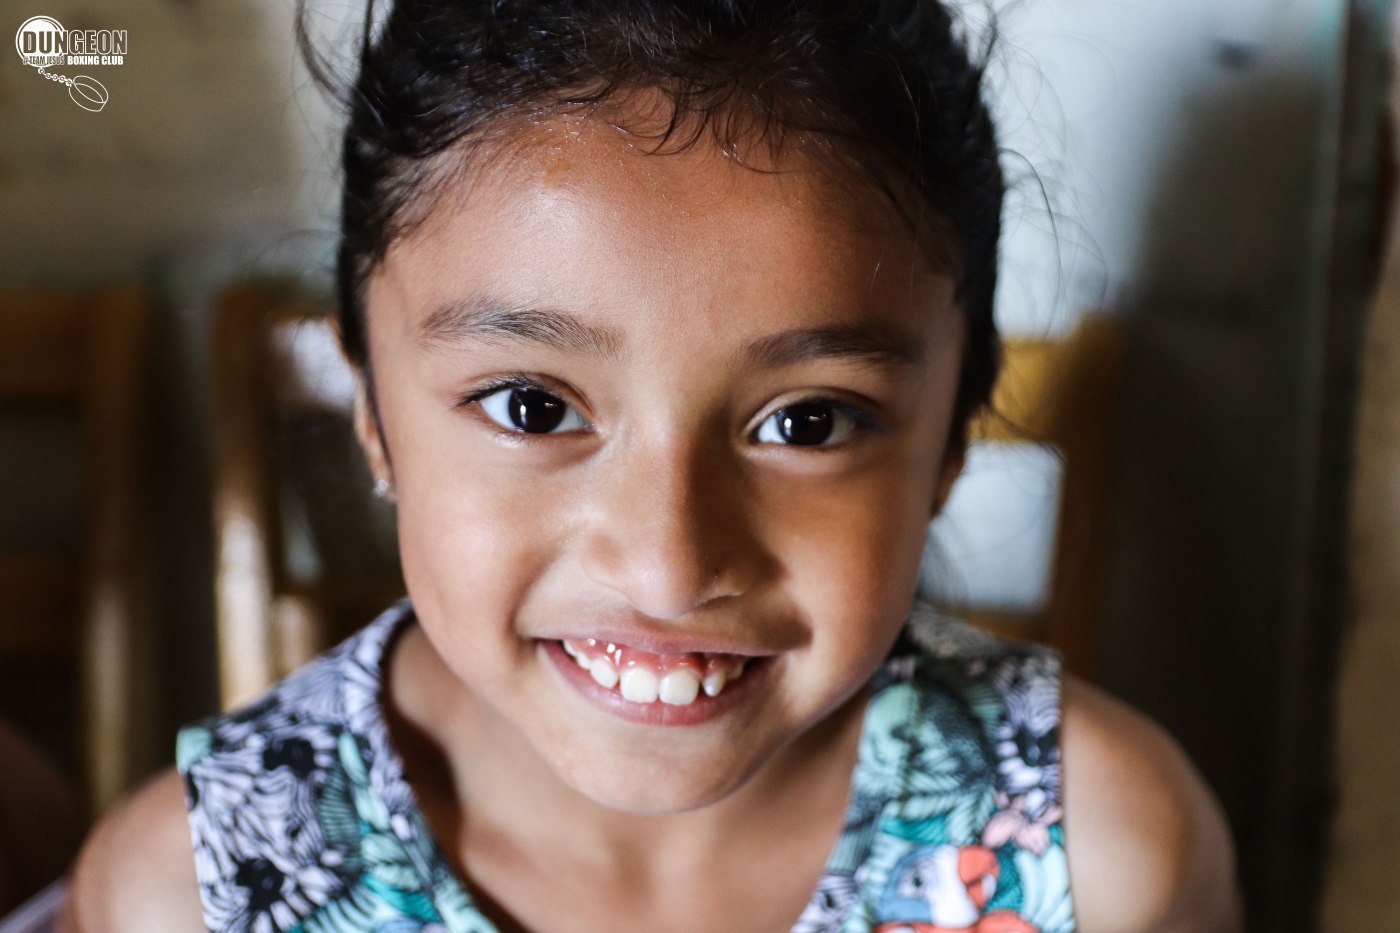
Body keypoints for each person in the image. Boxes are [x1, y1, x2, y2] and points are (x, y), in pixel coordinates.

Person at [70, 1, 1243, 930]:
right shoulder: (189, 894)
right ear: (372, 413)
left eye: (808, 423)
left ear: (949, 440)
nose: (668, 567)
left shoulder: (1102, 860)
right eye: (533, 407)